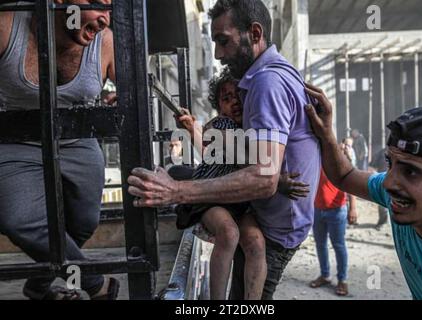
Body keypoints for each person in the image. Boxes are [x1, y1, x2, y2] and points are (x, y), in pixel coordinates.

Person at [127, 0, 321, 300]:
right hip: (265, 216)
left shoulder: (266, 82)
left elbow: (262, 176)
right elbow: (225, 153)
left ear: (254, 33)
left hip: (274, 227)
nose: (217, 54)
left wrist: (176, 190)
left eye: (223, 41)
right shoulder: (276, 76)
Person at [0, 0, 119, 300]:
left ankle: (39, 285)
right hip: (14, 141)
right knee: (19, 219)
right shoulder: (6, 26)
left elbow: (134, 88)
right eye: (97, 4)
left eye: (109, 9)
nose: (104, 18)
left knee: (82, 223)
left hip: (77, 140)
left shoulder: (105, 42)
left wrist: (124, 97)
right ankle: (95, 284)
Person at [304, 83, 422, 300]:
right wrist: (326, 134)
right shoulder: (399, 198)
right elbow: (345, 176)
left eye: (411, 171)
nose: (389, 183)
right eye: (390, 164)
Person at [175, 68, 309, 300]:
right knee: (229, 233)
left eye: (238, 96)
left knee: (256, 243)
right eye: (226, 99)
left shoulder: (254, 126)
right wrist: (277, 179)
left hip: (239, 202)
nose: (234, 102)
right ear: (218, 107)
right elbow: (238, 152)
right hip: (210, 197)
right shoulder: (220, 125)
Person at [310, 145, 357, 296]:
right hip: (317, 210)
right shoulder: (316, 160)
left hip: (337, 210)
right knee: (320, 244)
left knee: (338, 245)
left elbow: (351, 185)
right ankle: (325, 275)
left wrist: (353, 208)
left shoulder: (341, 164)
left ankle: (342, 280)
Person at [369, 147, 389, 230]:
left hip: (398, 181)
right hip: (383, 179)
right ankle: (383, 222)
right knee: (382, 203)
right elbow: (372, 165)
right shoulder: (382, 152)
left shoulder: (403, 152)